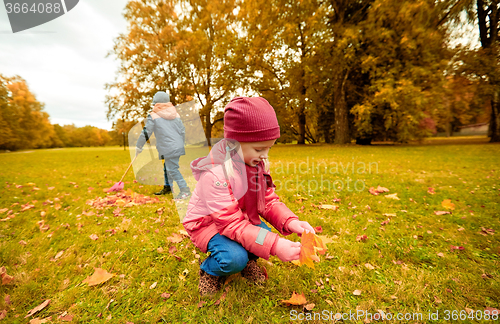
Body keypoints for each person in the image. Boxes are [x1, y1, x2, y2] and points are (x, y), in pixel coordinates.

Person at [182, 97, 315, 296]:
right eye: (260, 149)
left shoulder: (255, 164)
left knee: (261, 231)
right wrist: (276, 245)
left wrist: (291, 222)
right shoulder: (216, 174)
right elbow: (231, 225)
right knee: (235, 257)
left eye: (269, 148)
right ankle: (209, 271)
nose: (265, 155)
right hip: (208, 224)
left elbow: (267, 201)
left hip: (239, 218)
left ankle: (248, 261)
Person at [136, 91, 191, 199]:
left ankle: (185, 190)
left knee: (172, 169)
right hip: (176, 145)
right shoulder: (176, 115)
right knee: (168, 167)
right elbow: (182, 130)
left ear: (156, 104)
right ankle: (168, 187)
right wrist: (181, 143)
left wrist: (139, 145)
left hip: (168, 146)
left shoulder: (153, 115)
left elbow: (147, 131)